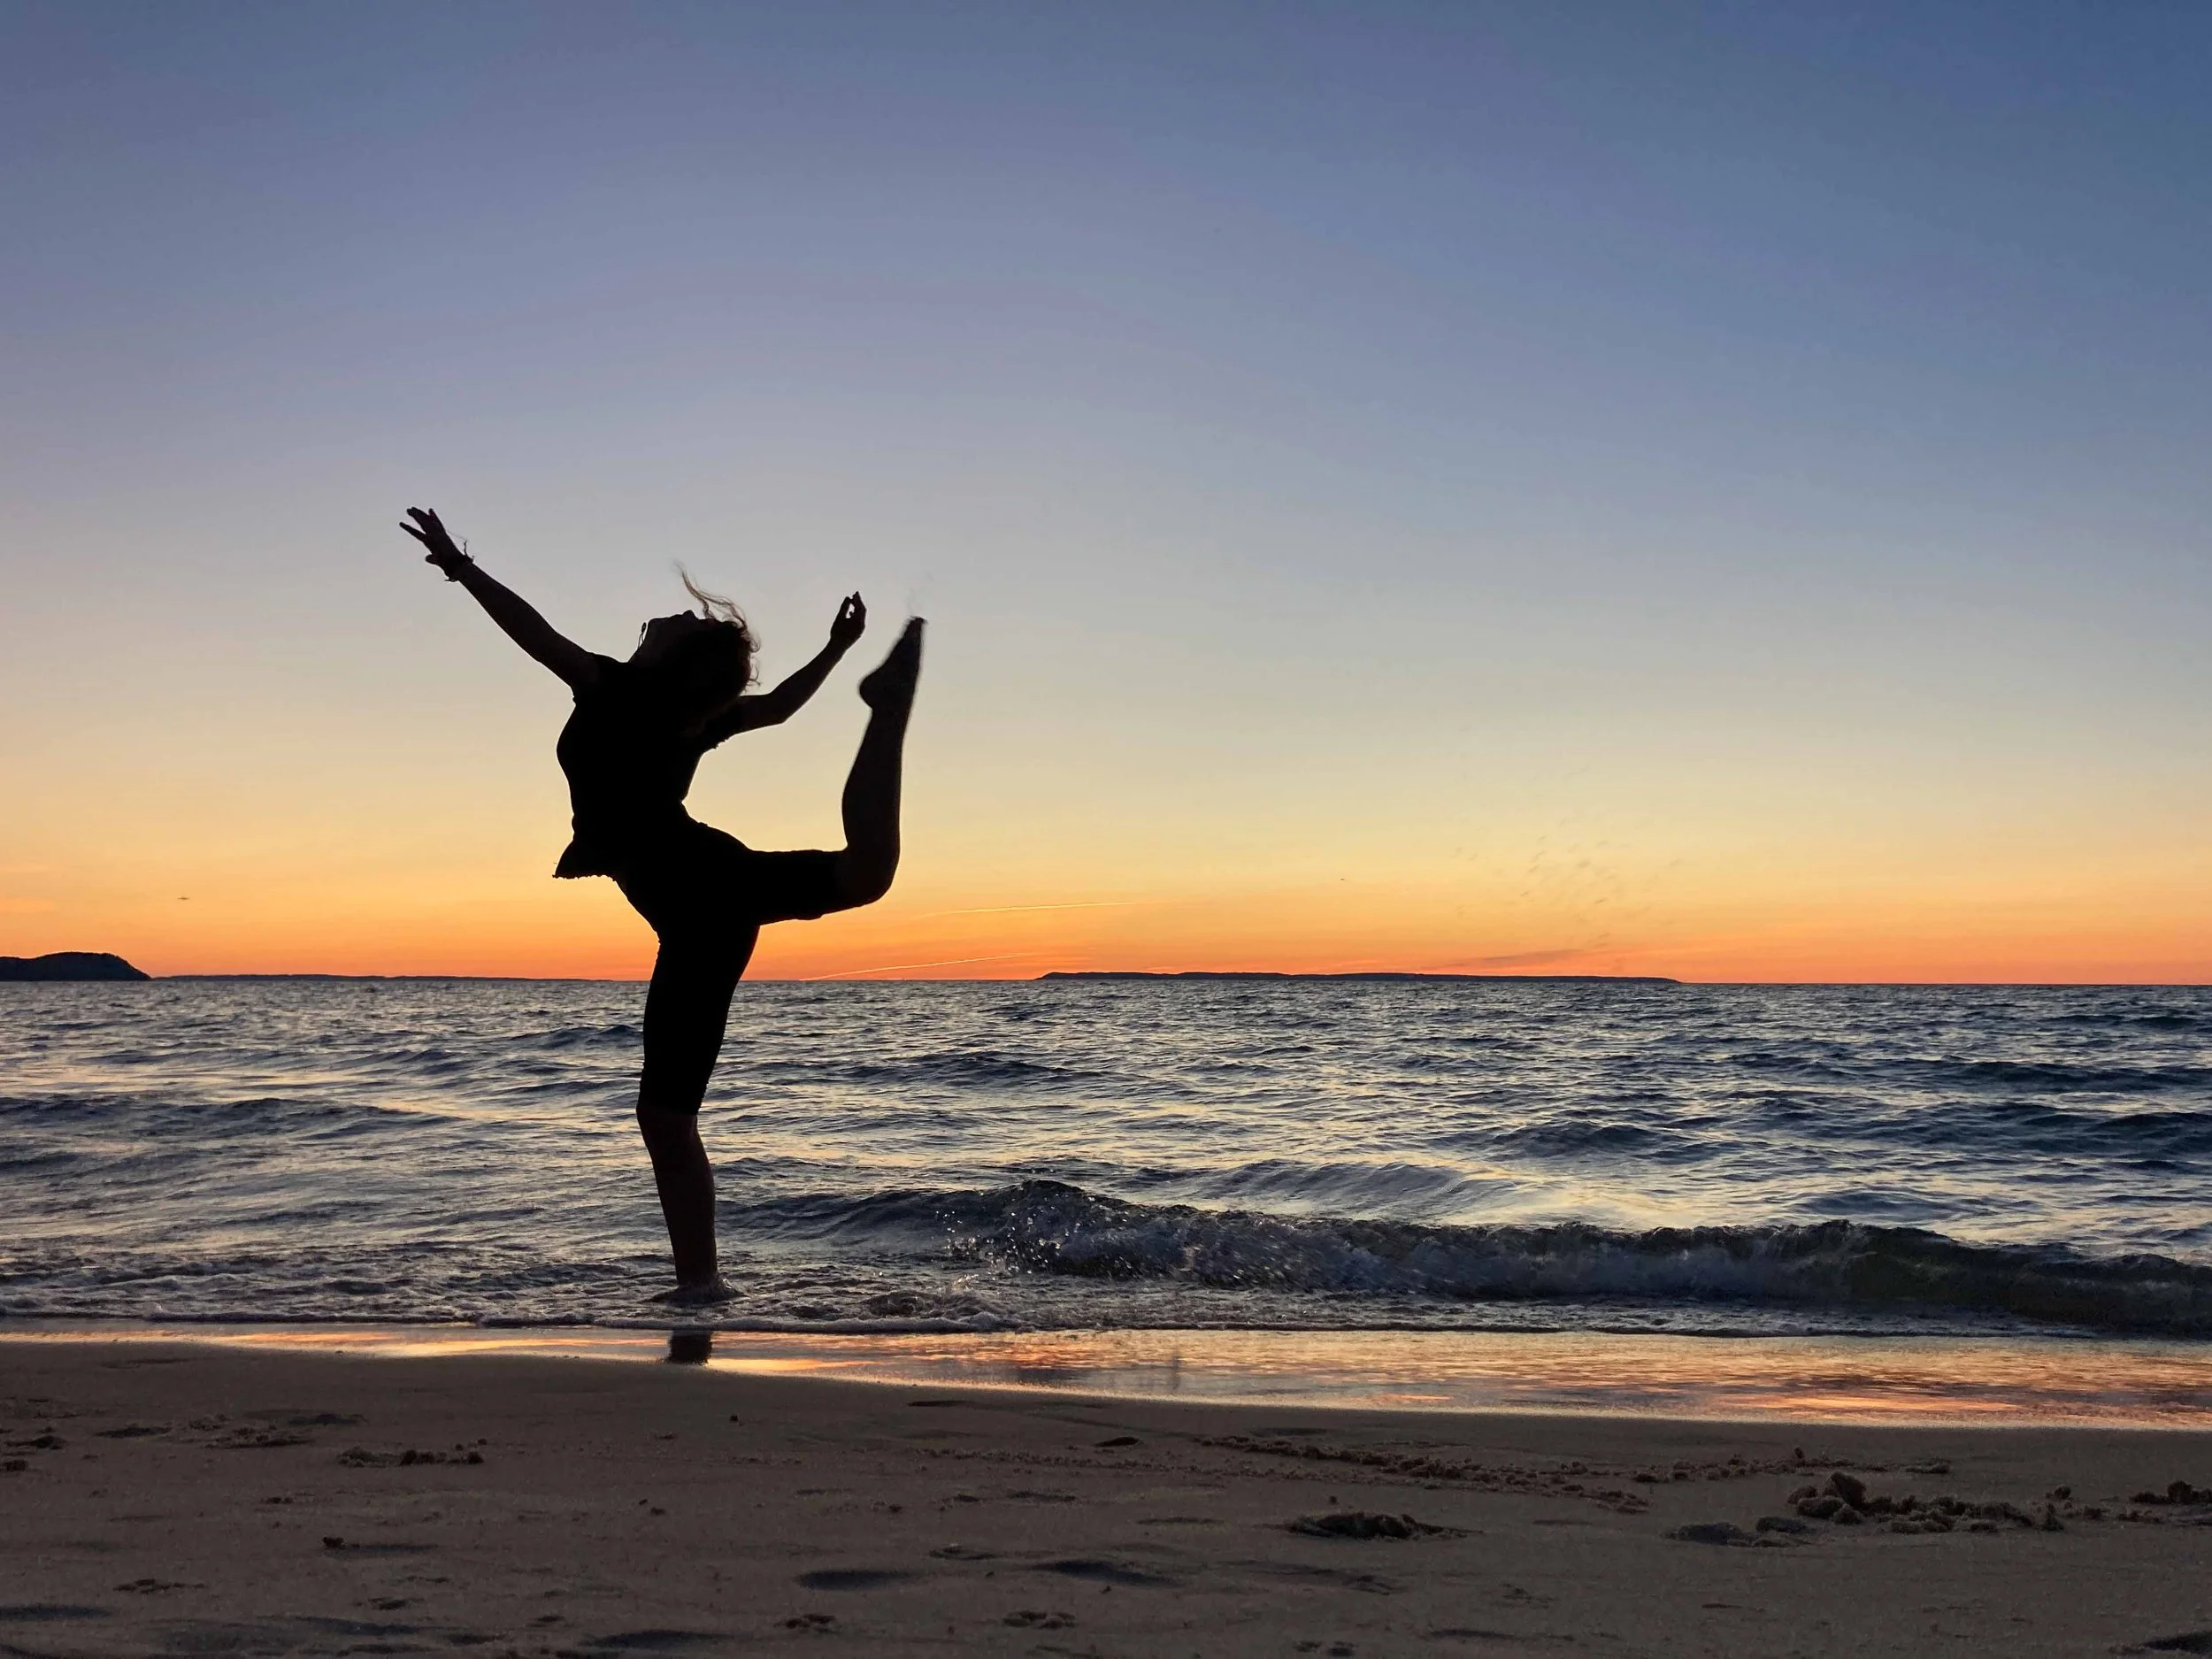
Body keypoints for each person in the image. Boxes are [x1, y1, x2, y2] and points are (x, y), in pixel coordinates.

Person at [400, 506, 922, 1300]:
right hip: (709, 888)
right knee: (866, 874)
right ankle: (885, 708)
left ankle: (702, 1283)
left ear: (668, 653)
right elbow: (778, 706)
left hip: (704, 895)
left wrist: (462, 568)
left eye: (675, 619)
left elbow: (529, 630)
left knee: (668, 1116)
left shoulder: (615, 689)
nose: (669, 614)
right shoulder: (685, 719)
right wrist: (835, 650)